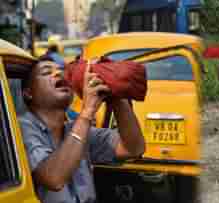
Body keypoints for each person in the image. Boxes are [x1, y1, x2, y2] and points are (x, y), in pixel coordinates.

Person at [19, 56, 145, 203]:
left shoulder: (76, 128)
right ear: (28, 93)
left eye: (61, 71)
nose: (58, 74)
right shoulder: (22, 128)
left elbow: (133, 148)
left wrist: (115, 93)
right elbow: (54, 178)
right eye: (47, 72)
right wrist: (87, 112)